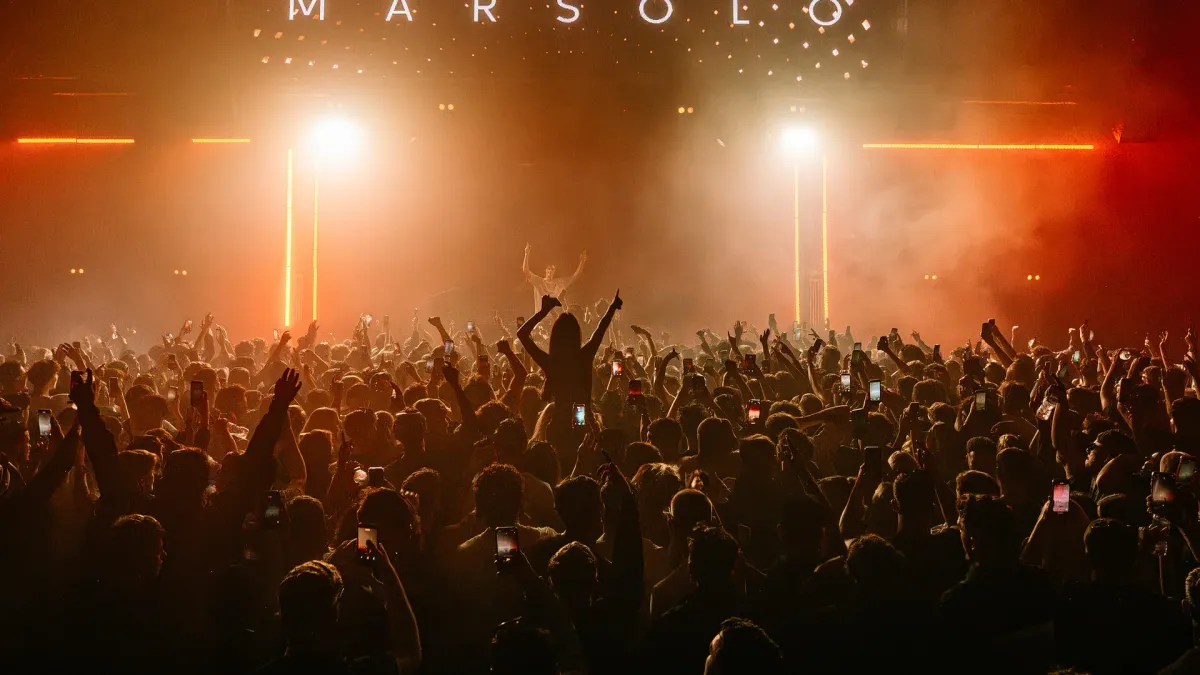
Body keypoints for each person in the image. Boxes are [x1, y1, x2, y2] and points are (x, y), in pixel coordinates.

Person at [522, 243, 587, 313]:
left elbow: (575, 277)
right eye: (548, 269)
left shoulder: (559, 282)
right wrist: (526, 254)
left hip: (555, 317)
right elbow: (526, 271)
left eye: (552, 269)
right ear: (545, 270)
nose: (550, 271)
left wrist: (582, 262)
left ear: (555, 271)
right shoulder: (539, 281)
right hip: (541, 317)